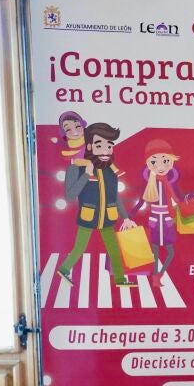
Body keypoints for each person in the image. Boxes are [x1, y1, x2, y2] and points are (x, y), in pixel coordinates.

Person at [56, 122, 137, 287]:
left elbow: (115, 196)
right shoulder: (75, 168)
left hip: (107, 218)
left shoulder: (111, 172)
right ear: (90, 146)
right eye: (100, 145)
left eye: (109, 145)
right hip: (88, 217)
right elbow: (70, 196)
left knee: (114, 249)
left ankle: (120, 279)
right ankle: (64, 269)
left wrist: (126, 218)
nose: (106, 150)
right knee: (79, 248)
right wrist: (86, 174)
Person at [130, 139, 187, 287]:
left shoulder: (171, 183)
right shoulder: (150, 184)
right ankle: (155, 278)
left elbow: (180, 198)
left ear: (171, 163)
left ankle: (159, 274)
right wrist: (128, 216)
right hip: (155, 220)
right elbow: (141, 201)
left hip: (167, 221)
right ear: (148, 165)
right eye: (154, 162)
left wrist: (191, 198)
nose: (161, 167)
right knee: (155, 253)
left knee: (170, 252)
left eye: (165, 161)